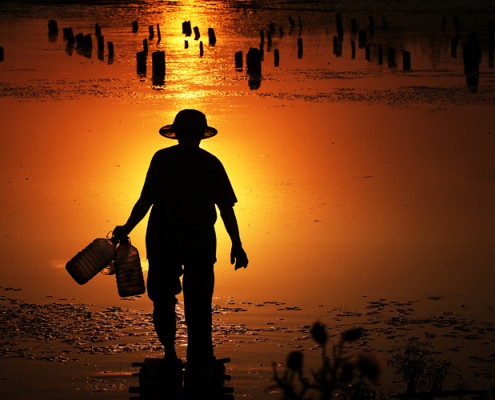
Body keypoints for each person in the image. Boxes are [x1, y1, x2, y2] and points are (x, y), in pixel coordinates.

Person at [113, 109, 248, 374]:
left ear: (177, 134)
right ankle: (200, 358)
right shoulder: (210, 162)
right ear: (200, 135)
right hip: (198, 240)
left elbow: (146, 200)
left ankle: (170, 355)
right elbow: (225, 208)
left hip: (164, 238)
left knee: (162, 299)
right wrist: (237, 243)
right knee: (198, 301)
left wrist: (126, 226)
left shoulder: (162, 159)